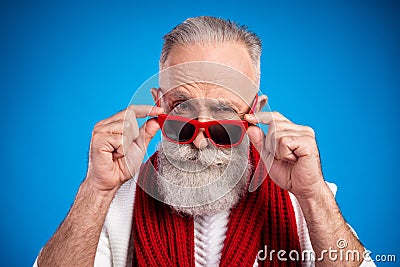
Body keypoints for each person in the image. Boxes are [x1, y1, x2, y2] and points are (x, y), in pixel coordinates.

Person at [34, 16, 375, 266]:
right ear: (158, 105)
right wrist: (97, 190)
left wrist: (313, 196)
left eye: (224, 118)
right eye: (182, 111)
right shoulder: (115, 199)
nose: (198, 142)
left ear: (254, 112)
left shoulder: (303, 195)